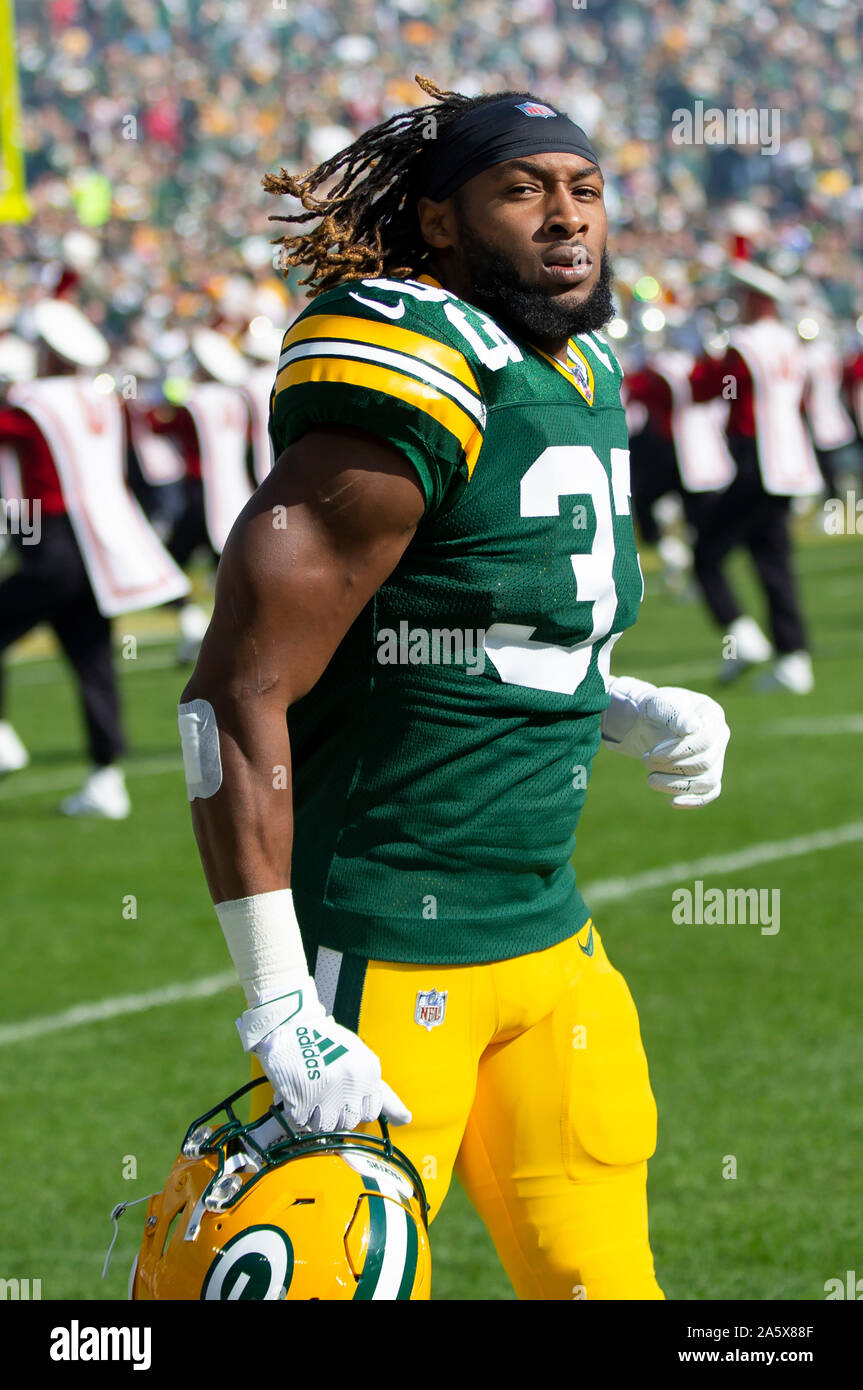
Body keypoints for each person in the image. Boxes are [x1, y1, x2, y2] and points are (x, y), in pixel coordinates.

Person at [178, 79, 730, 1300]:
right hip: (385, 948)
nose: (565, 217)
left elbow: (490, 625)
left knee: (605, 1279)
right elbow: (232, 688)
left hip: (550, 938)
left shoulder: (574, 368)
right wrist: (278, 1000)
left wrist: (619, 702)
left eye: (583, 188)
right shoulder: (408, 367)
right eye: (521, 189)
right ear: (436, 220)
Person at [0, 300, 189, 816]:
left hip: (53, 543)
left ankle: (5, 743)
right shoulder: (102, 396)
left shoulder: (32, 399)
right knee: (94, 664)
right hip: (100, 552)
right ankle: (107, 780)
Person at [689, 262, 823, 693]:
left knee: (706, 555)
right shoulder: (788, 341)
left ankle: (742, 637)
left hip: (756, 461)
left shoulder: (744, 344)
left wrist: (709, 359)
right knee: (772, 562)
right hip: (790, 462)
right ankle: (793, 659)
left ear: (755, 300)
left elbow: (710, 390)